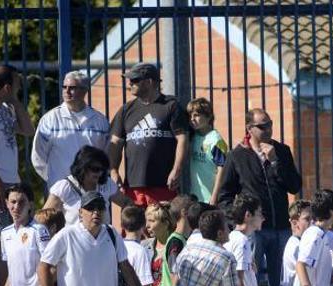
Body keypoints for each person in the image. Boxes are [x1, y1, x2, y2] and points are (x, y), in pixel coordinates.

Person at [218, 108, 302, 286]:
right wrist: (238, 222)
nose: (268, 129)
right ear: (250, 129)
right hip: (255, 230)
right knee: (253, 278)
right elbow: (225, 195)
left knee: (282, 279)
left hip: (281, 225)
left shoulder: (281, 151)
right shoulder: (237, 155)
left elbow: (294, 186)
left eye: (270, 124)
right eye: (262, 126)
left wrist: (275, 162)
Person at [0, 65, 34, 286]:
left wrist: (16, 102)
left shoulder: (6, 107)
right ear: (8, 87)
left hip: (10, 183)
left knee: (4, 239)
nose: (19, 90)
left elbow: (28, 129)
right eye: (17, 86)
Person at [109, 62, 190, 206]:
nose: (130, 84)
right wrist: (114, 171)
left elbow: (183, 139)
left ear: (149, 82)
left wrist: (176, 170)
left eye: (134, 80)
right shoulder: (126, 110)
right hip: (133, 188)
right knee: (133, 228)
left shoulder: (170, 106)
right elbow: (115, 143)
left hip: (163, 186)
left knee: (162, 227)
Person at [31, 70, 110, 185]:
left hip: (92, 190)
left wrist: (98, 179)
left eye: (72, 87)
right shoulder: (50, 119)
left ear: (84, 90)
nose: (67, 91)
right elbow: (38, 156)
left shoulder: (100, 121)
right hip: (60, 193)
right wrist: (54, 181)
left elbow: (107, 155)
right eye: (64, 87)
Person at [43, 145, 132, 225]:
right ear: (82, 168)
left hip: (102, 240)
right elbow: (45, 217)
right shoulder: (64, 187)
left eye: (102, 169)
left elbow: (127, 203)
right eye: (95, 169)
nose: (99, 173)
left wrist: (129, 221)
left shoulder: (106, 184)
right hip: (74, 240)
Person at [185, 98, 228, 204]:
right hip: (194, 196)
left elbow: (221, 169)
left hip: (210, 198)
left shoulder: (216, 140)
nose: (192, 119)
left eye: (196, 115)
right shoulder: (193, 137)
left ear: (208, 116)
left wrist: (214, 196)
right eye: (190, 116)